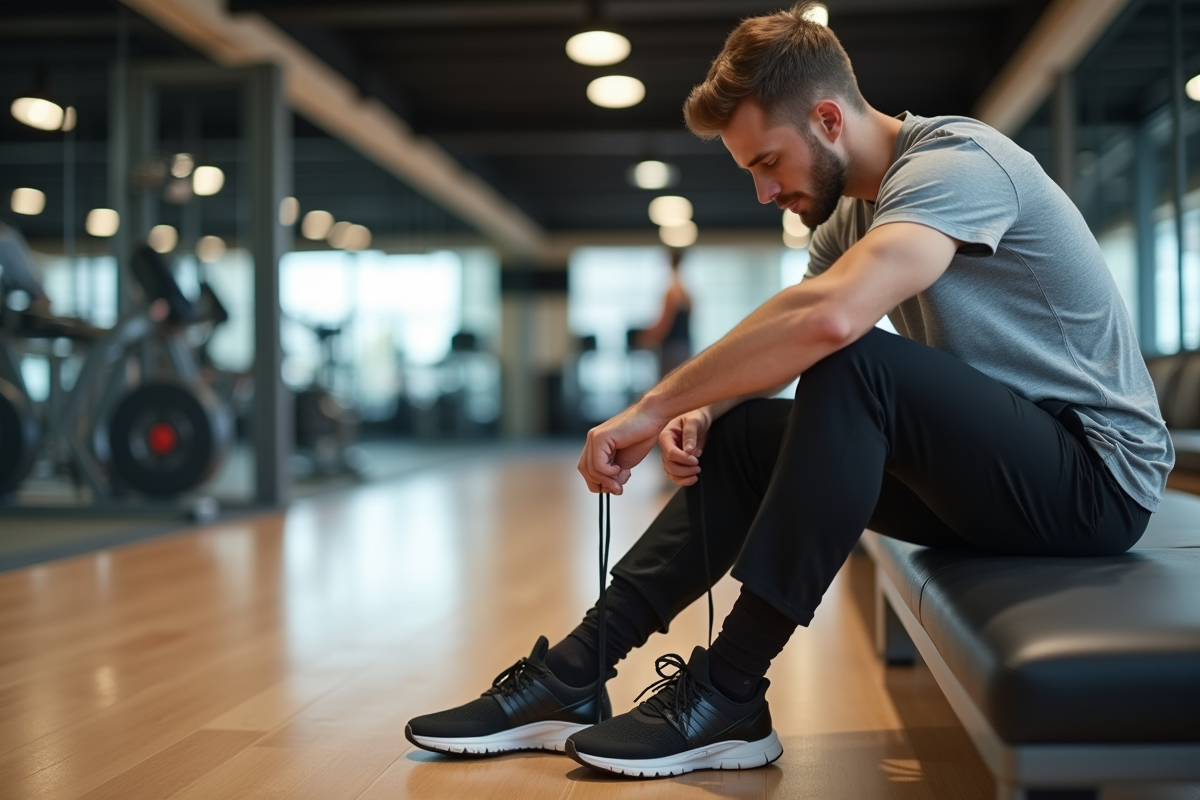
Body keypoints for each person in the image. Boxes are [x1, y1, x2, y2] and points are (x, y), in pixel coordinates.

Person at [405, 1, 1173, 778]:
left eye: (768, 162)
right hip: (998, 486)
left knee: (854, 360)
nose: (764, 193)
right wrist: (704, 410)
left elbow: (829, 321)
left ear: (829, 120)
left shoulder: (959, 164)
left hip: (1096, 483)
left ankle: (729, 690)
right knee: (742, 440)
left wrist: (653, 405)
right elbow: (784, 341)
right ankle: (574, 672)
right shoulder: (854, 217)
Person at [636, 249, 693, 379]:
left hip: (672, 350)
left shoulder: (672, 291)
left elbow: (665, 323)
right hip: (685, 347)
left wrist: (647, 338)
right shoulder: (687, 291)